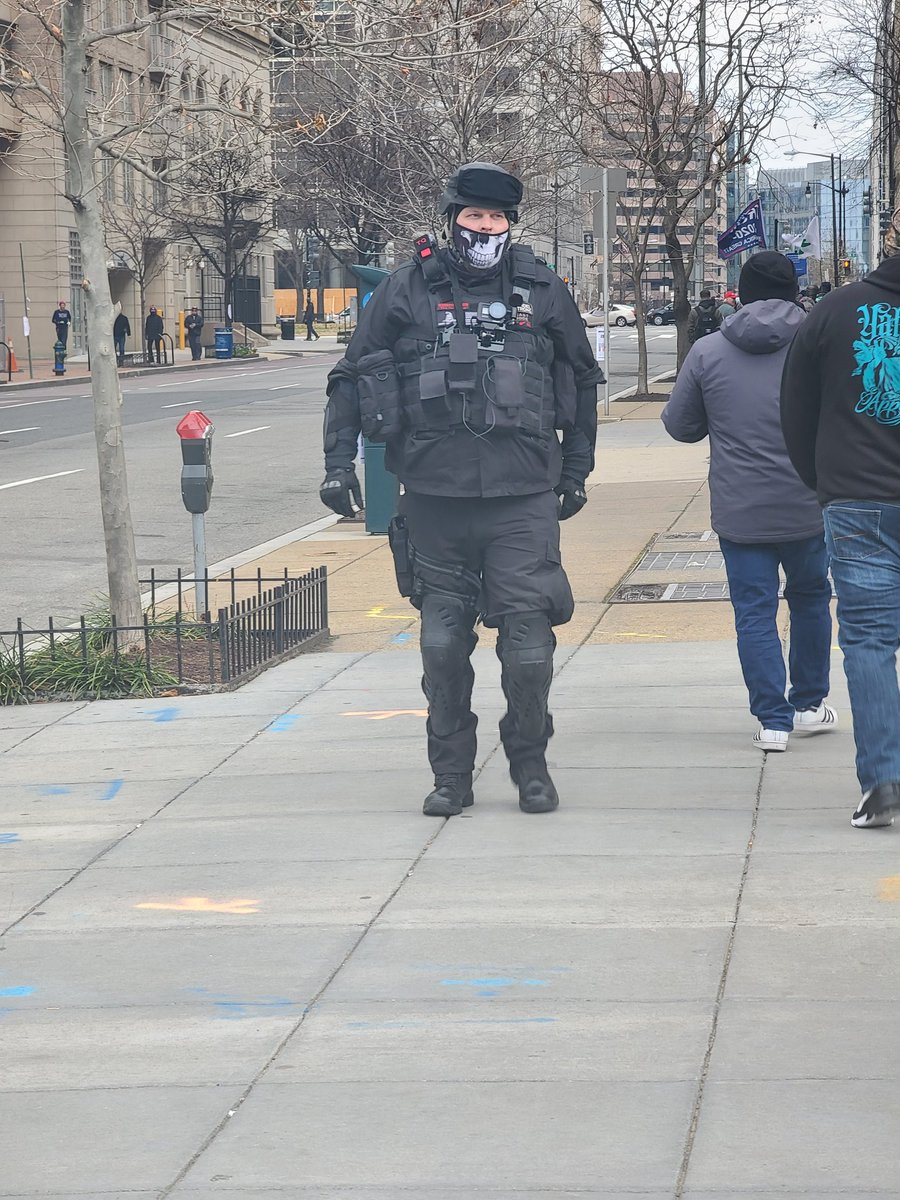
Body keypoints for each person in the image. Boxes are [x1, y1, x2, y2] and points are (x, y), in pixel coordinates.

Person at [320, 161, 602, 817]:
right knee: (442, 649)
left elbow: (581, 379)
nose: (484, 227)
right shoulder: (404, 289)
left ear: (510, 223)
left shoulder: (542, 289)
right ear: (451, 220)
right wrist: (339, 464)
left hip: (521, 500)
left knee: (529, 652)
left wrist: (578, 469)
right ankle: (451, 775)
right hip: (435, 501)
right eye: (473, 216)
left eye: (496, 217)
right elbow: (352, 375)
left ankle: (530, 764)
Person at [662, 251, 836, 752]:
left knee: (754, 612)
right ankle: (808, 703)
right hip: (810, 501)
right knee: (810, 599)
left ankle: (772, 720)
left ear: (741, 291)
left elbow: (680, 427)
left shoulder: (709, 351)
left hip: (742, 509)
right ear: (793, 291)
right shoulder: (819, 345)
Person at [781, 209, 900, 829]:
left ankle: (882, 781)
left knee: (871, 641)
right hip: (857, 496)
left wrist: (821, 480)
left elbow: (794, 409)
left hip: (858, 498)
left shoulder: (832, 311)